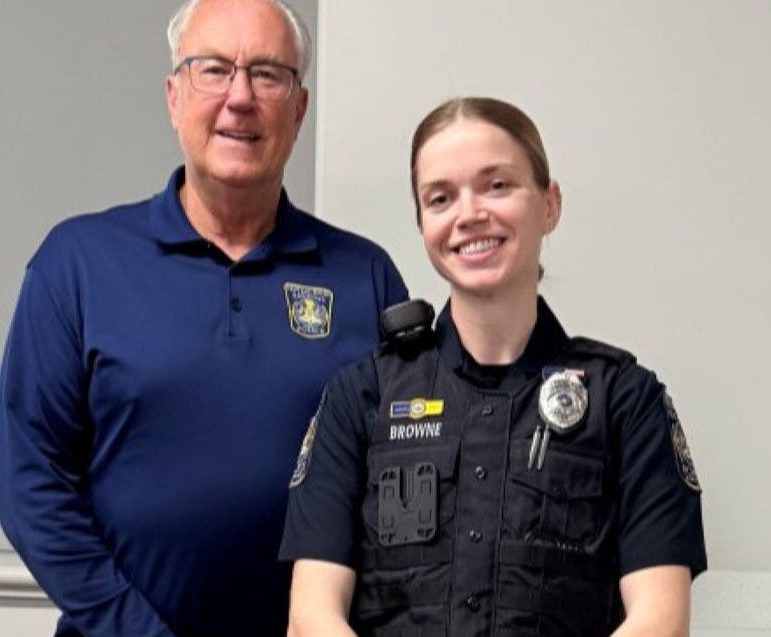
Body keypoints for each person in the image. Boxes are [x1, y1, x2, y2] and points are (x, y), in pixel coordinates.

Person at [0, 1, 407, 635]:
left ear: (299, 108)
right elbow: (32, 486)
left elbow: (403, 487)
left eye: (268, 74)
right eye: (214, 69)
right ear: (173, 96)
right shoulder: (76, 265)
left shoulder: (365, 277)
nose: (240, 96)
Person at [280, 97, 706, 636]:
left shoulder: (625, 401)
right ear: (422, 223)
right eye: (440, 197)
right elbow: (312, 617)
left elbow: (660, 622)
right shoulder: (361, 396)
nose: (469, 214)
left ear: (550, 204)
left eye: (498, 185)